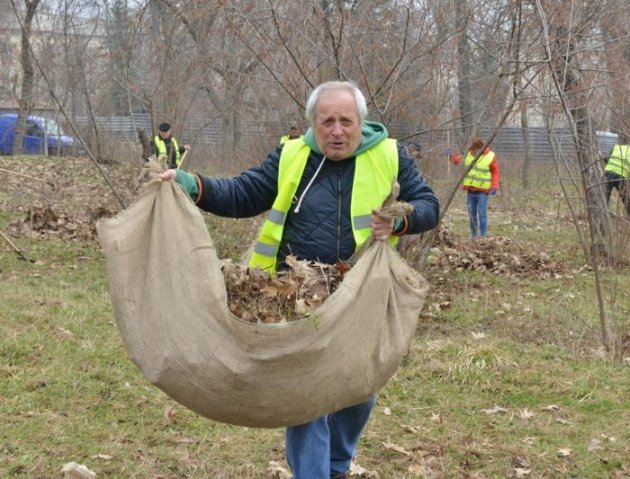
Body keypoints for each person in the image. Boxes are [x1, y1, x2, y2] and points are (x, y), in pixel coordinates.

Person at [159, 80, 439, 478]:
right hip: (297, 297)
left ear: (360, 121)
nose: (337, 130)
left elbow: (430, 205)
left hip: (362, 296)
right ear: (312, 123)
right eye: (327, 121)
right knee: (306, 397)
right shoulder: (293, 155)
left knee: (360, 391)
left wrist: (403, 216)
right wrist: (192, 185)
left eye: (346, 121)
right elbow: (243, 193)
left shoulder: (391, 156)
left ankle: (337, 465)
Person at [461, 136, 500, 239]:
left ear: (481, 147)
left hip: (483, 191)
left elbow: (495, 171)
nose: (475, 151)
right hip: (471, 189)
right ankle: (473, 236)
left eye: (477, 148)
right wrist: (451, 157)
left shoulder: (490, 156)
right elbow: (459, 161)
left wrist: (494, 186)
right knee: (471, 214)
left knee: (482, 213)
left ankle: (482, 237)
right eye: (474, 148)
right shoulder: (469, 154)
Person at [604, 141, 630, 220]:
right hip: (620, 177)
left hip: (608, 174)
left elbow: (606, 159)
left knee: (605, 196)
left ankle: (603, 216)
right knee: (625, 198)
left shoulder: (616, 148)